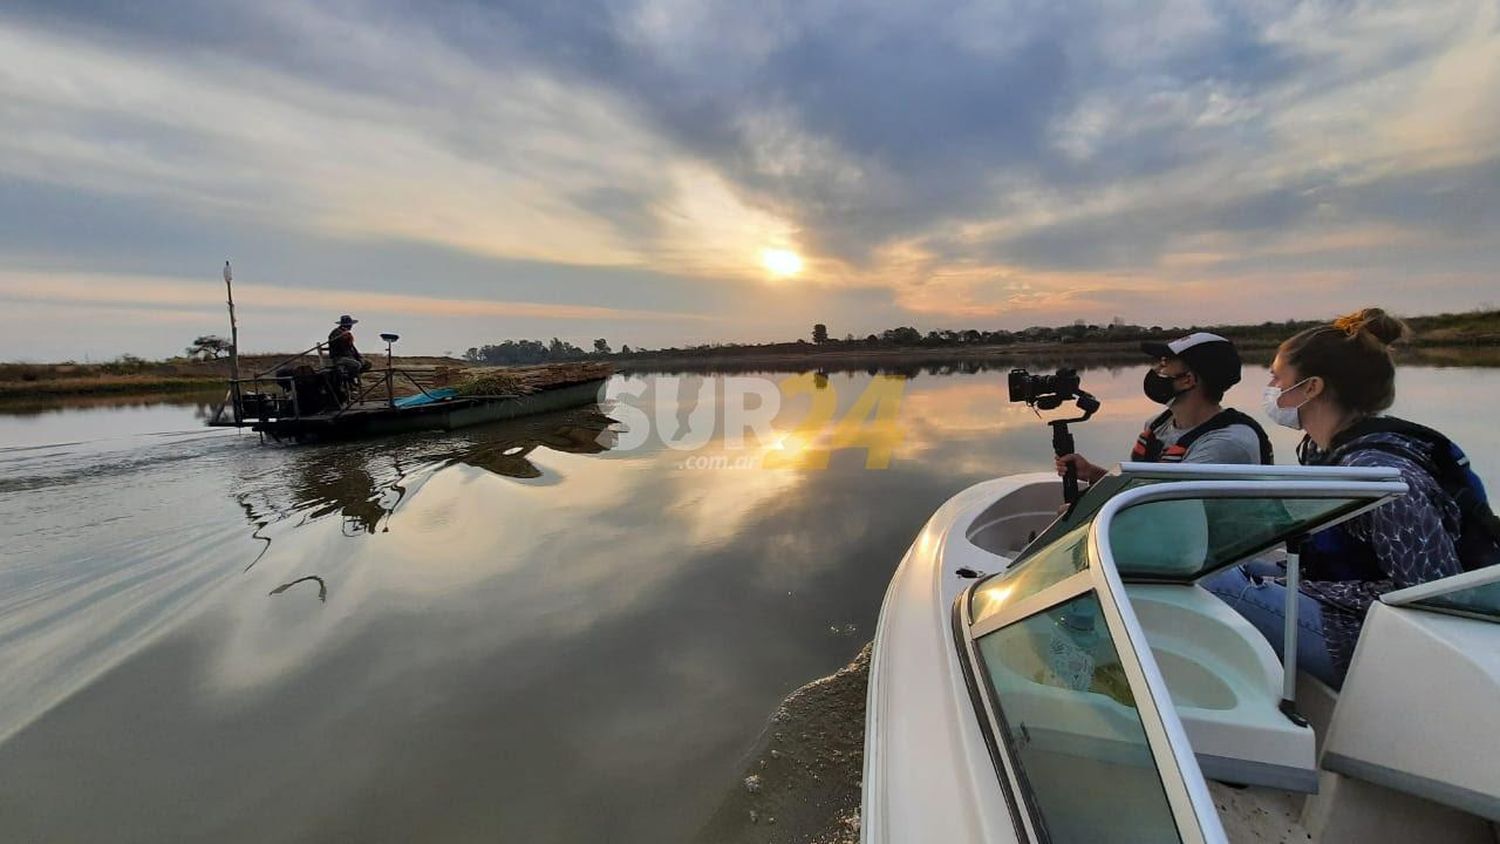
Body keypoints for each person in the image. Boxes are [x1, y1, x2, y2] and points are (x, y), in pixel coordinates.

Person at [1203, 308, 1488, 689]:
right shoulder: (1335, 456)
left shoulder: (1380, 475)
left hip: (1379, 642)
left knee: (1213, 584)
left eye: (1276, 377)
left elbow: (1432, 591)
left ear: (1311, 388)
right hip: (1351, 615)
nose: (1270, 387)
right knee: (1210, 564)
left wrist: (1305, 589)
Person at [1056, 332, 1273, 484]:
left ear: (1188, 380)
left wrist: (1087, 516)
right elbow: (1141, 492)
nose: (1154, 370)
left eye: (1163, 364)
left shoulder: (1226, 444)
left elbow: (1168, 510)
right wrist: (1092, 473)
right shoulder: (1158, 425)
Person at [327, 314, 367, 402]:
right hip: (339, 358)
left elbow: (352, 348)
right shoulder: (336, 333)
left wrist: (358, 356)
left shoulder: (347, 334)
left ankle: (351, 377)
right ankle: (351, 381)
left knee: (366, 363)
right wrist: (342, 338)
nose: (351, 326)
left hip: (348, 357)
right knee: (356, 365)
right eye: (350, 324)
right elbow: (337, 346)